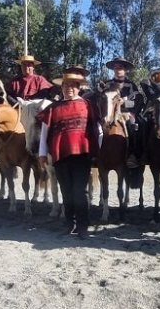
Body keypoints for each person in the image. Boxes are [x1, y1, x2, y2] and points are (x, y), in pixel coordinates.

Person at [37, 71, 101, 238]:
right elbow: (44, 132)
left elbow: (97, 129)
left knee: (80, 192)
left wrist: (98, 150)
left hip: (82, 154)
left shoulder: (88, 105)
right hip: (60, 155)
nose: (69, 89)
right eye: (66, 85)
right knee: (66, 191)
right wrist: (42, 153)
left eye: (73, 86)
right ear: (62, 87)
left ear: (79, 88)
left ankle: (83, 226)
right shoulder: (53, 108)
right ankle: (69, 223)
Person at [105, 57, 146, 167]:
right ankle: (95, 153)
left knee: (134, 126)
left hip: (125, 113)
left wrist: (124, 102)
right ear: (113, 69)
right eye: (116, 67)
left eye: (121, 67)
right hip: (108, 112)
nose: (118, 70)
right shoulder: (107, 84)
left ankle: (132, 154)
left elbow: (138, 100)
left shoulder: (131, 84)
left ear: (125, 70)